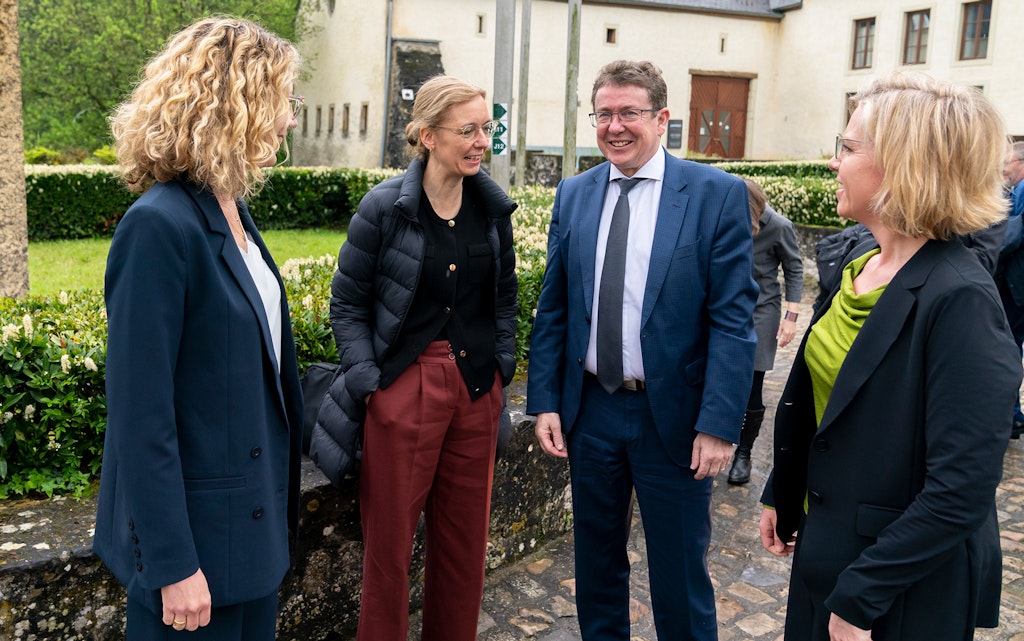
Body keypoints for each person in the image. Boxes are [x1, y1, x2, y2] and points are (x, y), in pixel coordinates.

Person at [759, 71, 1022, 641]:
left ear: (905, 165)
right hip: (826, 551)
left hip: (895, 587)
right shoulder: (860, 263)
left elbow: (961, 490)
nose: (834, 162)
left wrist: (861, 599)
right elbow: (818, 402)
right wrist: (781, 489)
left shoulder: (961, 299)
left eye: (848, 148)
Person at [528, 60, 757, 641]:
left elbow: (733, 320)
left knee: (680, 572)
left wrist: (719, 423)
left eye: (629, 112)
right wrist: (546, 401)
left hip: (675, 420)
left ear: (661, 118)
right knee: (596, 565)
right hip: (593, 411)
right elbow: (553, 308)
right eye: (604, 114)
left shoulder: (715, 195)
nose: (614, 126)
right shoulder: (574, 194)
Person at [93, 17, 304, 640]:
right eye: (281, 101)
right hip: (193, 562)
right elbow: (140, 413)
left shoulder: (231, 208)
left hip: (251, 542)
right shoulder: (158, 225)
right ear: (232, 104)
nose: (290, 119)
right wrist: (173, 564)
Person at [322, 75, 517, 641]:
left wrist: (501, 366)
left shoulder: (491, 209)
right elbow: (348, 302)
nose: (482, 140)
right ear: (428, 136)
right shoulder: (385, 207)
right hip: (403, 390)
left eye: (487, 128)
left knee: (464, 549)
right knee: (389, 553)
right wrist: (369, 382)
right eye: (468, 130)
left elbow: (504, 299)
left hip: (477, 390)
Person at [727, 178, 802, 485]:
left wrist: (791, 316)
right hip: (726, 306)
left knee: (753, 380)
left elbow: (794, 268)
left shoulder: (779, 226)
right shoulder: (726, 217)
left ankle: (743, 453)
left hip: (762, 310)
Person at [996, 141, 1024, 438]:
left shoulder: (1023, 189)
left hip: (1015, 286)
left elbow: (1012, 236)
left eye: (1008, 162)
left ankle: (1012, 415)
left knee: (1009, 346)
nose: (1005, 168)